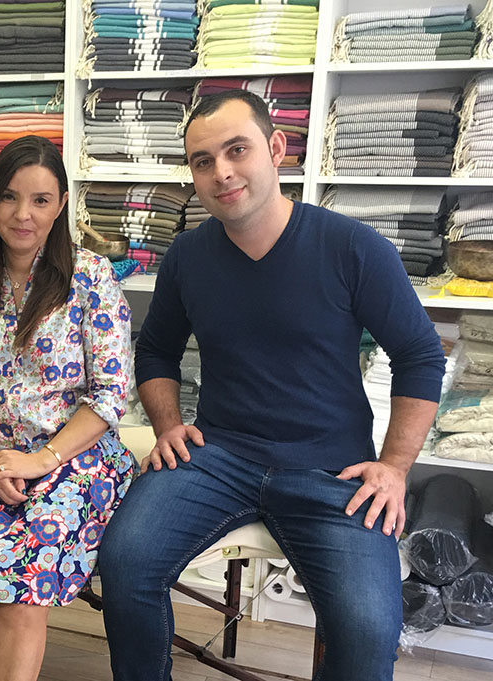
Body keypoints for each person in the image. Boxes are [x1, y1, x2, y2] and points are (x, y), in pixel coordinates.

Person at [98, 90, 447, 681]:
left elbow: (420, 355)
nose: (222, 172)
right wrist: (166, 425)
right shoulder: (188, 255)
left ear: (276, 148)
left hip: (331, 470)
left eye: (237, 150)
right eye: (203, 161)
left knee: (367, 630)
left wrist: (394, 466)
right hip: (217, 456)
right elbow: (155, 349)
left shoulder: (353, 248)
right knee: (125, 563)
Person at [0, 135, 136, 681]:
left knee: (23, 573)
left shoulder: (90, 279)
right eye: (10, 197)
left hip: (76, 456)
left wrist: (41, 461)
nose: (23, 214)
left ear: (61, 205)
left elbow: (110, 395)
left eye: (40, 200)